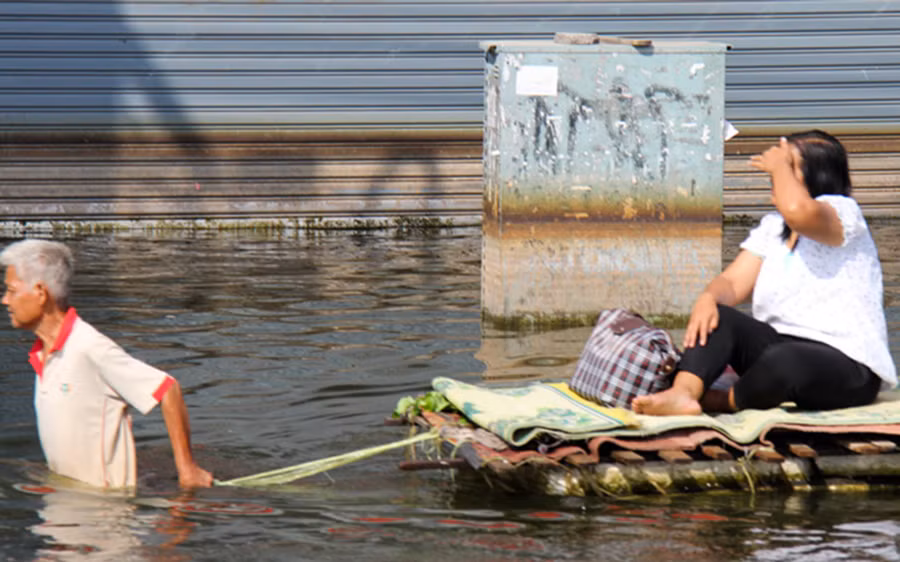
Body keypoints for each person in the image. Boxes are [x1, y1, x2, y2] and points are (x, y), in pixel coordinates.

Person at [632, 130, 897, 416]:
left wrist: (780, 165)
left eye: (788, 165)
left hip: (847, 365)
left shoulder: (845, 213)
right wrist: (708, 298)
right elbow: (733, 283)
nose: (775, 172)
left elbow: (798, 209)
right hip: (778, 346)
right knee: (718, 316)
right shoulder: (774, 226)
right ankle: (683, 394)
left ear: (816, 174)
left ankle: (725, 400)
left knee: (784, 360)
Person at [1, 239, 213, 489]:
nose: (5, 300)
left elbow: (167, 389)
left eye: (12, 290)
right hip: (67, 509)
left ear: (40, 292)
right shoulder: (43, 353)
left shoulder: (88, 346)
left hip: (105, 516)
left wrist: (187, 470)